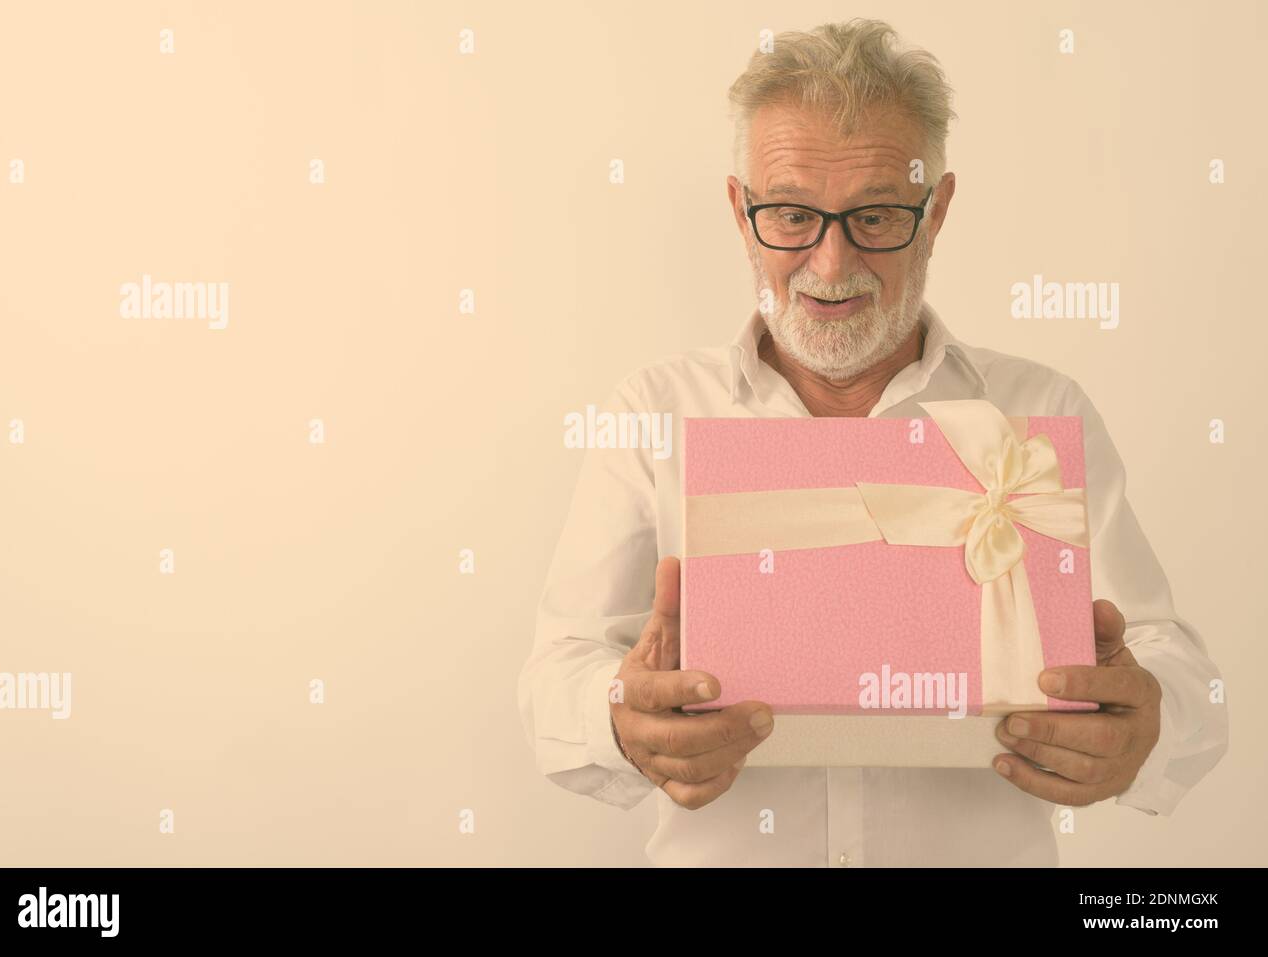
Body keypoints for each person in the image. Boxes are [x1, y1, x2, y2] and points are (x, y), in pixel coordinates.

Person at [517, 19, 1228, 866]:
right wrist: (616, 712)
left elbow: (1177, 666)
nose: (830, 264)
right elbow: (553, 673)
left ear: (939, 211)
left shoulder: (1041, 409)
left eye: (877, 215)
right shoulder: (653, 413)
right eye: (790, 214)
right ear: (741, 211)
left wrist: (1148, 715)